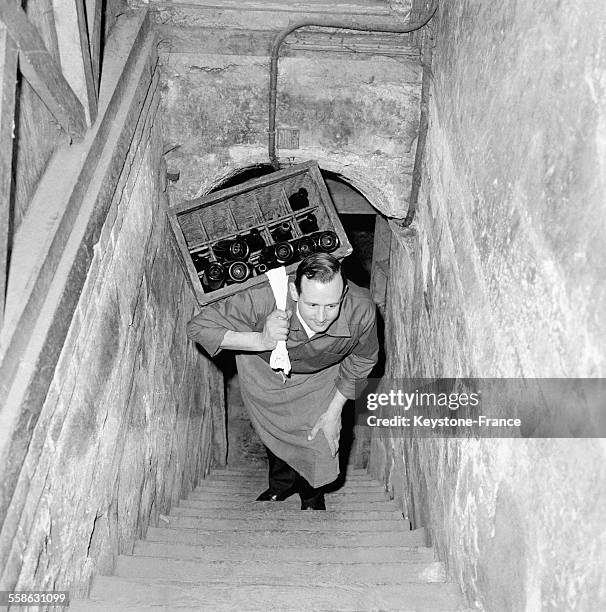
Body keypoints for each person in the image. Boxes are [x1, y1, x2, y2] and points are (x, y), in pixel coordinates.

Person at [186, 252, 379, 510]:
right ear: (294, 291)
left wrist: (335, 412)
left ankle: (312, 494)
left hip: (321, 374)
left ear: (344, 293)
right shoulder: (263, 296)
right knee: (275, 431)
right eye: (312, 305)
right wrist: (260, 341)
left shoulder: (361, 309)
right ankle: (281, 485)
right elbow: (198, 328)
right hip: (266, 372)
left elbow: (363, 360)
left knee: (321, 438)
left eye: (331, 306)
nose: (321, 317)